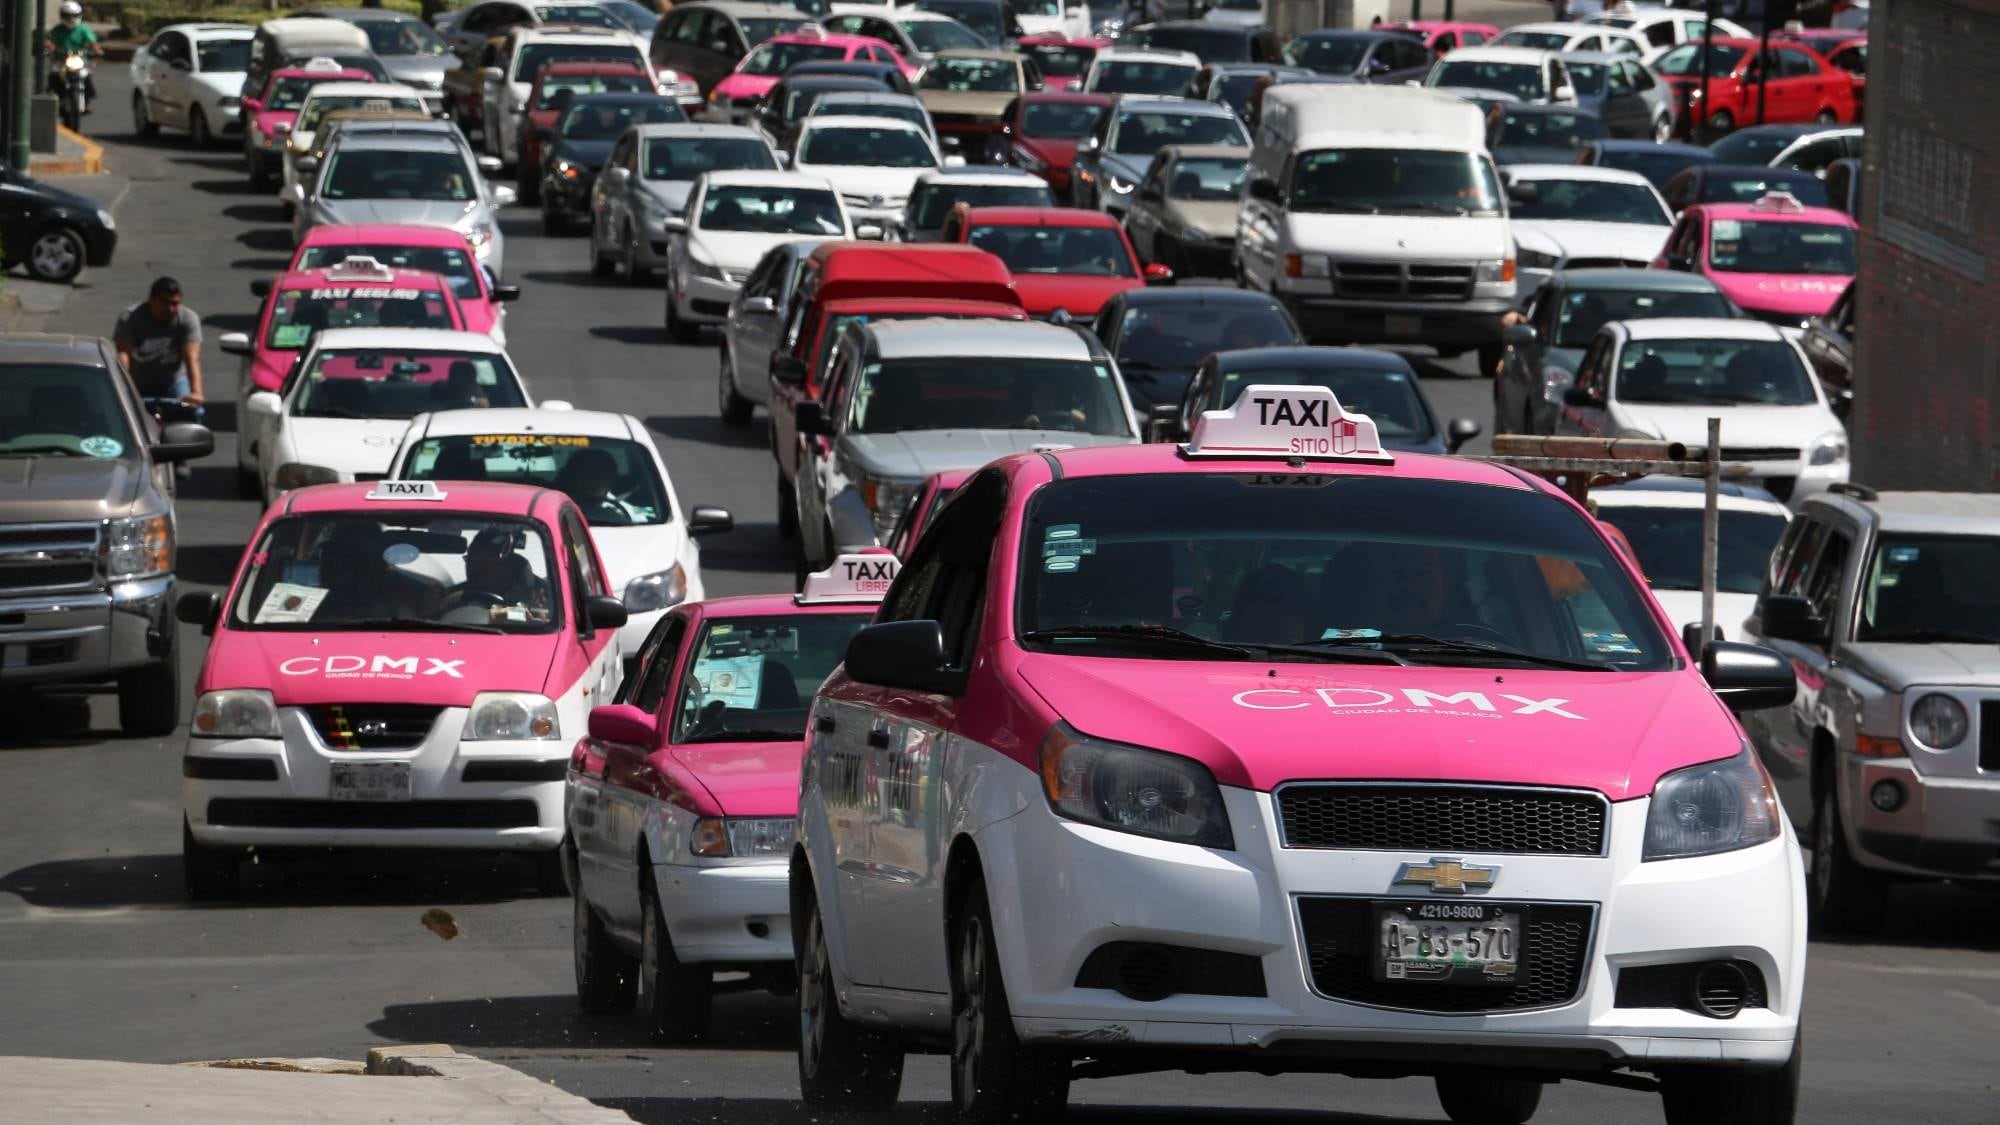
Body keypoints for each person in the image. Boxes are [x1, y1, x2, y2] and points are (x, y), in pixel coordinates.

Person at [114, 277, 205, 411]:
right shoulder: (131, 318)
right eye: (165, 302)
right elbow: (123, 356)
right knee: (121, 411)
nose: (171, 309)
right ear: (151, 299)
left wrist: (197, 393)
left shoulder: (188, 319)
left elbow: (192, 359)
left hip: (173, 384)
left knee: (194, 410)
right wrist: (123, 388)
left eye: (175, 303)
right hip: (136, 384)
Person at [46, 2, 102, 112]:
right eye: (67, 16)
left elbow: (93, 42)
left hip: (79, 59)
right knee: (54, 76)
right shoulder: (57, 30)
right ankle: (56, 99)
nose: (71, 18)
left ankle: (87, 101)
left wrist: (97, 50)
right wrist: (50, 47)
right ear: (62, 16)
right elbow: (49, 41)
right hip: (61, 60)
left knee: (87, 77)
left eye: (74, 15)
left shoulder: (83, 29)